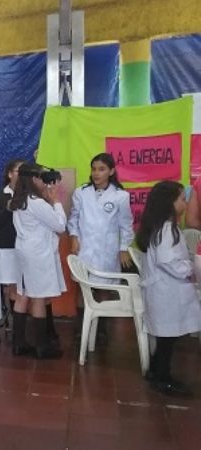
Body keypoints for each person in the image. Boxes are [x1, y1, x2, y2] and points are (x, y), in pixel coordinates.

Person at [137, 181, 201, 396]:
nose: (185, 204)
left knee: (166, 337)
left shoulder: (163, 227)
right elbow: (168, 261)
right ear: (169, 203)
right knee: (167, 339)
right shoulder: (166, 229)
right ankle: (162, 379)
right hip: (166, 292)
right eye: (182, 199)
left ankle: (155, 371)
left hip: (164, 291)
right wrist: (189, 268)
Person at [69, 153, 134, 341]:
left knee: (104, 287)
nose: (96, 173)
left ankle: (101, 328)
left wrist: (123, 248)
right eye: (94, 169)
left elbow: (126, 226)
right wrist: (74, 236)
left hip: (108, 249)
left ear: (111, 171)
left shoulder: (120, 196)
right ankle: (82, 327)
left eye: (102, 169)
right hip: (85, 248)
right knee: (83, 287)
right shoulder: (81, 192)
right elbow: (73, 218)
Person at [10, 163, 67, 359]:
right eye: (42, 178)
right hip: (38, 253)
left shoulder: (19, 200)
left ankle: (18, 343)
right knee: (39, 297)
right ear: (33, 179)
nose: (45, 182)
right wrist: (56, 201)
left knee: (22, 294)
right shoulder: (37, 202)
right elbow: (60, 226)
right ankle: (42, 346)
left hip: (24, 250)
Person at [0, 159, 27, 354]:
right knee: (12, 286)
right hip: (9, 247)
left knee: (29, 287)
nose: (21, 175)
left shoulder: (31, 196)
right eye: (18, 171)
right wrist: (8, 209)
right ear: (10, 174)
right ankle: (14, 324)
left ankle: (26, 324)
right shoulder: (0, 197)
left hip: (29, 248)